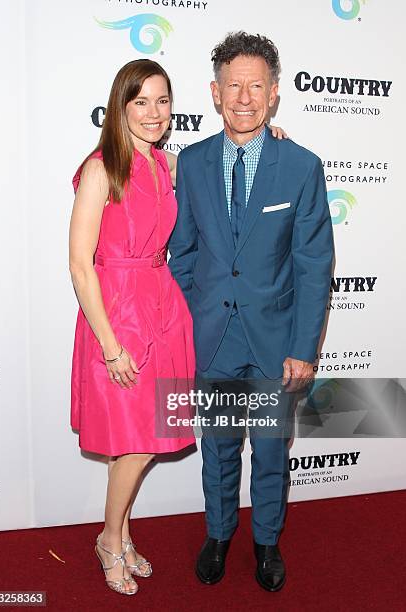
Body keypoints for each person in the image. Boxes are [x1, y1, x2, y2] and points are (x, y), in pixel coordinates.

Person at [168, 32, 334, 592]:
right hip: (213, 337)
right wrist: (195, 315)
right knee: (216, 450)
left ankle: (266, 541)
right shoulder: (190, 164)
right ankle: (219, 533)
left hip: (274, 341)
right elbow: (183, 251)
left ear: (275, 93)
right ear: (214, 93)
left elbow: (314, 265)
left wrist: (303, 348)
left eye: (255, 86)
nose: (244, 97)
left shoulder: (301, 167)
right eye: (232, 86)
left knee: (269, 452)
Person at [68, 59, 196, 596]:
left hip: (161, 307)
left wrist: (272, 136)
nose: (153, 112)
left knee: (137, 442)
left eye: (162, 101)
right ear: (120, 106)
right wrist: (110, 344)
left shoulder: (168, 165)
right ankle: (108, 541)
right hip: (116, 315)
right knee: (137, 444)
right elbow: (79, 263)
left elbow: (223, 168)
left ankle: (117, 534)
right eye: (140, 101)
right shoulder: (102, 167)